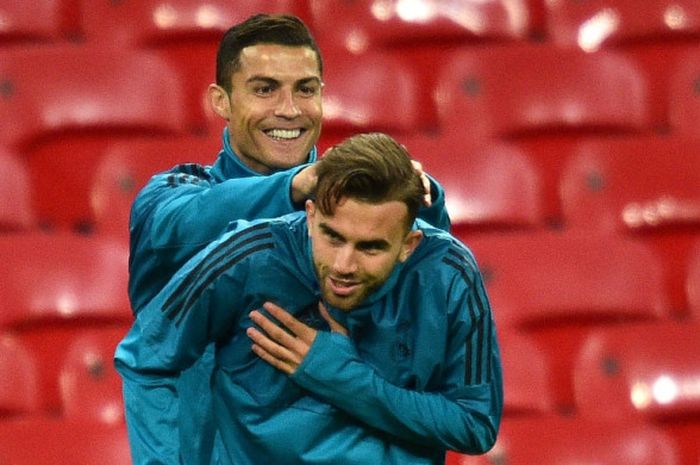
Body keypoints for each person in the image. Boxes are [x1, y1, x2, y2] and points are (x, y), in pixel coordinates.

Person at [124, 13, 451, 465]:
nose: (290, 109)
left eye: (305, 89)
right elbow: (184, 227)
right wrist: (297, 185)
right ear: (221, 100)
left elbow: (424, 326)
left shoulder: (370, 213)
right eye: (264, 89)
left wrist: (423, 205)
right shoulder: (170, 199)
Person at [116, 132, 503, 465]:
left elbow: (475, 424)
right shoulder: (249, 254)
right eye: (333, 237)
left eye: (370, 247)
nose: (344, 264)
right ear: (312, 214)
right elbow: (145, 358)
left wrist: (344, 378)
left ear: (408, 244)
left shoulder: (451, 272)